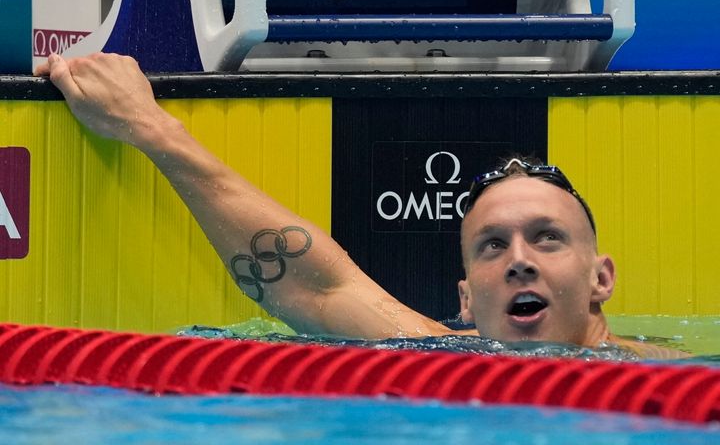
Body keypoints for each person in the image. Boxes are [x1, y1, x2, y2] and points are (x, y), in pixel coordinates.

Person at [35, 52, 688, 359]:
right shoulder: (445, 355)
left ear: (601, 278)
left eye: (546, 238)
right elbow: (317, 284)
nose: (517, 260)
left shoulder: (671, 379)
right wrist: (151, 130)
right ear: (465, 301)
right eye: (493, 244)